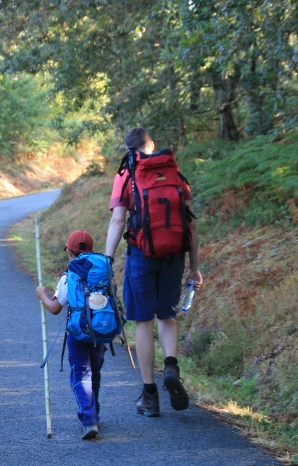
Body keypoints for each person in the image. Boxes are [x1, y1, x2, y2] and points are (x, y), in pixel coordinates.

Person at [105, 127, 203, 417]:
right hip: (174, 255)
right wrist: (195, 269)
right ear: (152, 146)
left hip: (141, 256)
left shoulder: (125, 175)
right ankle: (171, 365)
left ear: (128, 149)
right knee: (167, 315)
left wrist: (106, 261)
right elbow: (192, 225)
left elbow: (117, 221)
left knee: (143, 322)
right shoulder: (174, 173)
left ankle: (150, 395)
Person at [35, 230, 105, 440]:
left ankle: (90, 418)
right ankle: (93, 410)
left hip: (78, 332)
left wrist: (42, 295)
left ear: (69, 252)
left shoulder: (69, 277)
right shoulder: (101, 271)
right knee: (95, 371)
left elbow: (55, 308)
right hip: (100, 330)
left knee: (81, 374)